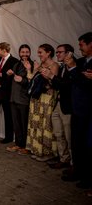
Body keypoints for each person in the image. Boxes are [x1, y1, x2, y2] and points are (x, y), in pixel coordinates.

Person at [62, 32, 92, 192]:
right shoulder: (80, 62)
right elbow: (73, 80)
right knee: (77, 143)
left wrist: (73, 69)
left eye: (82, 44)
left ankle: (87, 177)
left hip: (88, 110)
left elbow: (83, 83)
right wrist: (72, 68)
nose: (80, 47)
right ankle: (78, 171)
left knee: (88, 146)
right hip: (76, 108)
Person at [41, 44, 74, 169]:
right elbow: (57, 85)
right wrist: (49, 80)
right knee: (58, 133)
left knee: (69, 136)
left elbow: (67, 85)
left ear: (69, 54)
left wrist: (51, 76)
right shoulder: (61, 67)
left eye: (60, 52)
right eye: (57, 52)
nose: (57, 54)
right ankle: (64, 158)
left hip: (67, 105)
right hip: (58, 103)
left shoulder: (73, 68)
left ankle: (73, 163)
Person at [26, 44, 59, 162]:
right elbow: (31, 79)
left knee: (45, 124)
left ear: (48, 52)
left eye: (41, 52)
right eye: (38, 52)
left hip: (47, 98)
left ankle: (47, 152)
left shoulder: (54, 65)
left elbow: (50, 82)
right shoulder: (39, 64)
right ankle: (36, 149)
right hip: (36, 97)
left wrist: (39, 69)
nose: (39, 55)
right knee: (36, 123)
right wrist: (29, 69)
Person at [6, 44, 34, 154]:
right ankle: (18, 144)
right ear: (19, 53)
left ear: (30, 53)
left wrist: (22, 80)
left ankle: (26, 146)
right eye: (23, 52)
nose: (25, 54)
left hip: (24, 99)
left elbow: (32, 82)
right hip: (13, 98)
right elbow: (13, 79)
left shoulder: (32, 65)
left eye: (27, 52)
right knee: (16, 124)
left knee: (24, 124)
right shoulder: (16, 64)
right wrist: (9, 74)